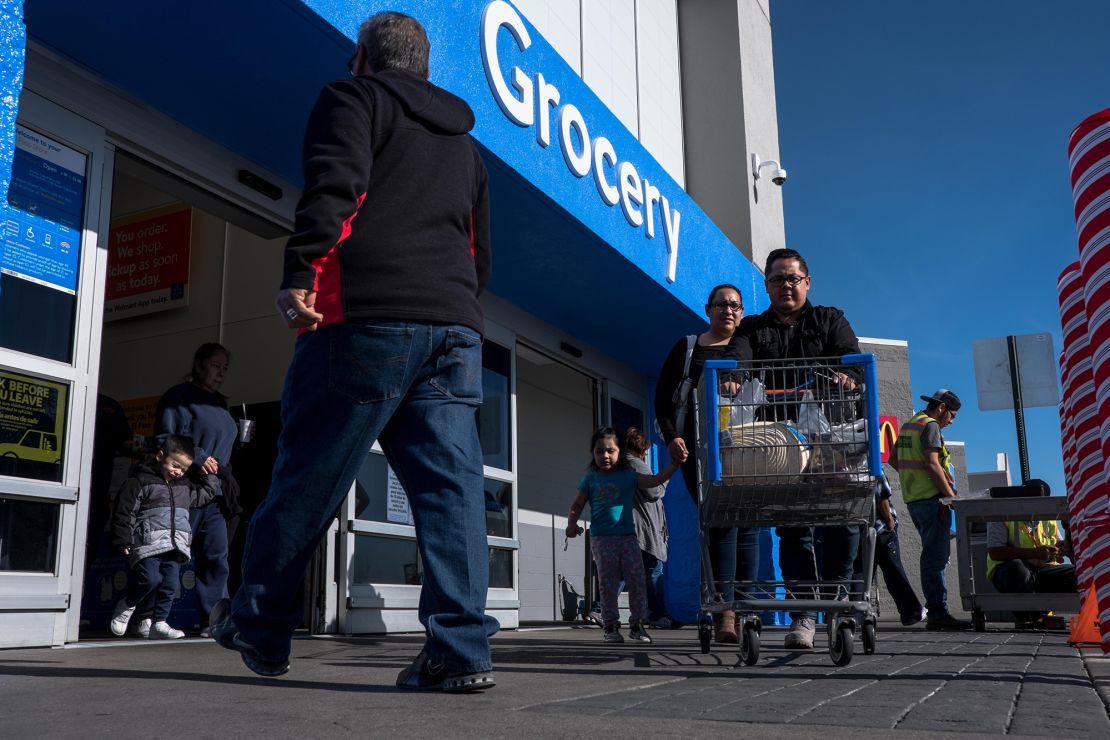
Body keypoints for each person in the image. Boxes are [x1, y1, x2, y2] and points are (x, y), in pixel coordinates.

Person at [209, 11, 496, 691]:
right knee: (451, 493)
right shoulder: (468, 150)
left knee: (308, 475)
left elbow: (338, 187)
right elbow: (477, 252)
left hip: (364, 318)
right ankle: (458, 649)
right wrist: (454, 306)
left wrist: (301, 270)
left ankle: (261, 627)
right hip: (454, 325)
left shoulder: (352, 99)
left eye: (352, 60)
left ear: (363, 59)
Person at [730, 247, 863, 650]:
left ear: (807, 282)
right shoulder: (752, 328)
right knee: (793, 529)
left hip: (831, 440)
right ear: (766, 285)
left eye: (792, 278)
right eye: (776, 279)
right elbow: (739, 358)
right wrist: (734, 378)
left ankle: (837, 601)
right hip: (781, 446)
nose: (785, 285)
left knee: (842, 521)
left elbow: (854, 361)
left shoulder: (829, 320)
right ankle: (804, 613)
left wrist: (848, 376)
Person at [655, 283, 755, 643]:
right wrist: (672, 438)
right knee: (717, 523)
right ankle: (724, 612)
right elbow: (663, 400)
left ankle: (743, 609)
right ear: (708, 308)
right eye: (721, 304)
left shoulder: (747, 348)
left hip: (747, 452)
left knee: (748, 527)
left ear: (741, 313)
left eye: (734, 305)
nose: (728, 310)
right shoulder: (688, 348)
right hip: (700, 453)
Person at [153, 342, 241, 638]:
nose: (221, 373)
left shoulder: (220, 403)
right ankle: (154, 619)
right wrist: (199, 457)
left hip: (215, 492)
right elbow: (165, 437)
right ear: (199, 364)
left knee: (217, 557)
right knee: (174, 552)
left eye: (225, 368)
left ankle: (215, 621)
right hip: (186, 488)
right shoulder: (179, 397)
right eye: (216, 366)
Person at [566, 428, 684, 643]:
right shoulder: (590, 479)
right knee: (609, 584)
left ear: (620, 452)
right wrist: (571, 524)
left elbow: (655, 481)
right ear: (593, 453)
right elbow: (577, 504)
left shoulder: (629, 476)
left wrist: (674, 465)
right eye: (599, 451)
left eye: (611, 451)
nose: (605, 456)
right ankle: (610, 627)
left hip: (629, 539)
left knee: (637, 581)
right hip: (602, 540)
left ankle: (637, 625)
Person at [109, 435, 215, 639]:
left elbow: (203, 496)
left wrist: (211, 476)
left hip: (174, 546)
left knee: (170, 585)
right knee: (150, 579)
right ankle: (128, 604)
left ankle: (159, 622)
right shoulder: (139, 481)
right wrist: (122, 539)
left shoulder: (183, 486)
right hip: (147, 544)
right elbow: (125, 511)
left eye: (184, 469)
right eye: (175, 465)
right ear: (160, 456)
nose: (178, 472)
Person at [889, 389, 971, 630]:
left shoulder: (910, 424)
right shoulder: (931, 426)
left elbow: (894, 459)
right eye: (952, 415)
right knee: (934, 560)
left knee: (931, 556)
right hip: (933, 501)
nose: (952, 421)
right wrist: (951, 496)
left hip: (914, 500)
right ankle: (937, 613)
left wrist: (913, 478)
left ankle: (937, 611)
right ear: (942, 408)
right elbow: (933, 465)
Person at [986, 493, 1076, 628]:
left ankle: (1042, 613)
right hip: (1014, 574)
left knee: (1079, 574)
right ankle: (1026, 617)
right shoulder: (1002, 514)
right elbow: (995, 553)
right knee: (1016, 569)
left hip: (1042, 572)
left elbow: (1057, 542)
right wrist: (1035, 553)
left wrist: (1062, 548)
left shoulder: (1049, 519)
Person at [624, 426, 675, 628]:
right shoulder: (637, 465)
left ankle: (601, 607)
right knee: (653, 570)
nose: (646, 454)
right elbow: (654, 492)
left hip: (634, 527)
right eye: (644, 450)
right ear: (640, 448)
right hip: (644, 530)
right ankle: (656, 614)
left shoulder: (625, 465)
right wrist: (665, 479)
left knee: (629, 571)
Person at [854, 476, 924, 626]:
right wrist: (890, 521)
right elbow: (881, 495)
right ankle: (911, 612)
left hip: (860, 529)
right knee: (893, 570)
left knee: (861, 574)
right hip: (880, 528)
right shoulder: (873, 466)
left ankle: (855, 613)